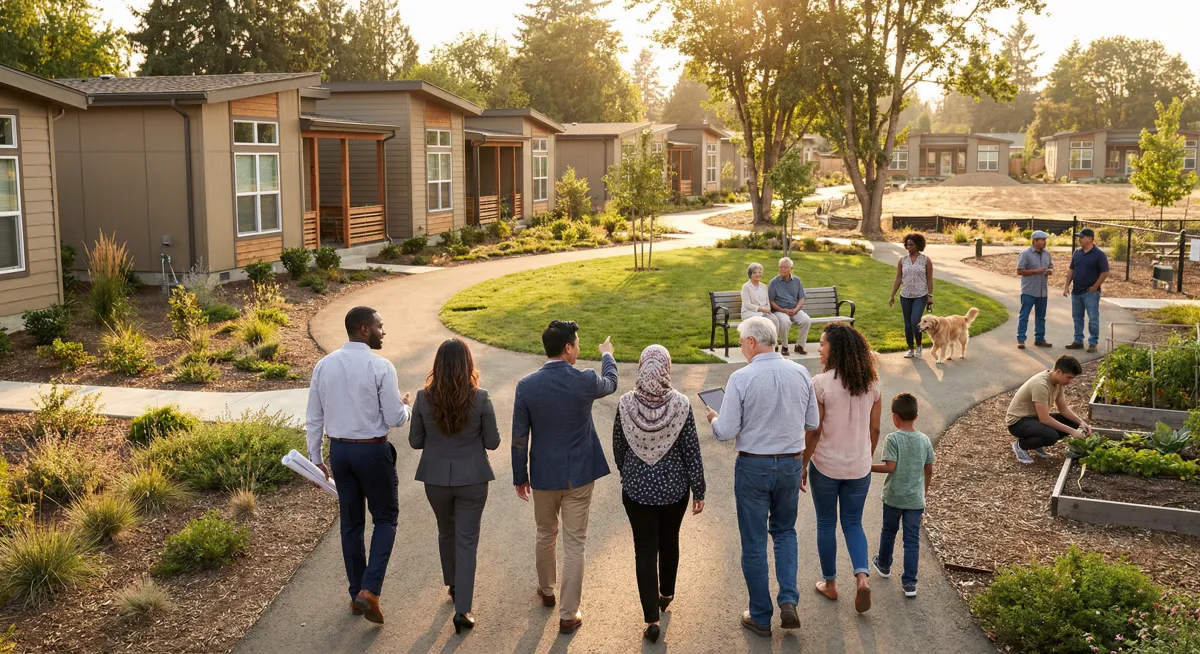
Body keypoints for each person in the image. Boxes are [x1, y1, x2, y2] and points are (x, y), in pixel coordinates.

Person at [704, 316, 819, 637]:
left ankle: (760, 615)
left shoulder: (742, 378)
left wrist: (714, 417)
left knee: (754, 541)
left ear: (752, 342)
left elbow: (725, 431)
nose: (741, 348)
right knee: (784, 532)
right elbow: (812, 422)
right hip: (791, 463)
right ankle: (788, 599)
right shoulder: (800, 372)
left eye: (741, 342)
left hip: (754, 466)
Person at [306, 306, 411, 625]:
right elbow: (394, 418)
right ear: (363, 329)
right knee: (385, 518)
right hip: (372, 452)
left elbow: (314, 416)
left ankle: (356, 594)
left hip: (339, 453)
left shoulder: (323, 366)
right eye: (380, 326)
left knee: (351, 524)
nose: (384, 331)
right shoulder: (381, 367)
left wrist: (316, 460)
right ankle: (369, 590)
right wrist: (406, 408)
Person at [512, 320, 618, 634]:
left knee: (545, 533)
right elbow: (611, 382)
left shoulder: (527, 385)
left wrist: (520, 476)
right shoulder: (584, 380)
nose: (579, 347)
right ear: (568, 348)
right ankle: (568, 614)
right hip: (580, 474)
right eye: (578, 343)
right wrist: (607, 354)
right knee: (575, 543)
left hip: (543, 474)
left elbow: (520, 437)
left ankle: (546, 590)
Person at [613, 345, 706, 644]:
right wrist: (699, 489)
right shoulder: (681, 404)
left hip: (637, 491)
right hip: (673, 490)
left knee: (644, 549)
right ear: (666, 368)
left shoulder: (625, 403)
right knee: (669, 541)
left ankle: (651, 618)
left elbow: (619, 446)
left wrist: (627, 473)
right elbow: (691, 450)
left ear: (641, 367)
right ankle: (666, 592)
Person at [408, 338, 500, 635]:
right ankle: (463, 609)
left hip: (435, 479)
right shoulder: (481, 397)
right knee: (467, 540)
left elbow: (415, 441)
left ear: (438, 366)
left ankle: (454, 584)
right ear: (468, 364)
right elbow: (493, 442)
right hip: (472, 478)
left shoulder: (423, 398)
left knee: (446, 531)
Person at [804, 322, 881, 614]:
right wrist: (864, 455)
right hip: (859, 466)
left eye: (822, 344)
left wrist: (801, 464)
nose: (819, 348)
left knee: (826, 523)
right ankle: (862, 578)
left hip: (825, 465)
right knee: (853, 523)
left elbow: (814, 431)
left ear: (835, 350)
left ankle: (831, 584)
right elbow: (875, 428)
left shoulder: (821, 384)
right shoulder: (872, 384)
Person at [870, 393, 935, 598]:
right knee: (912, 540)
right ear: (916, 416)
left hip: (894, 497)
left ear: (894, 416)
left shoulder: (893, 438)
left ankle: (884, 564)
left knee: (889, 531)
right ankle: (909, 583)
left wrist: (867, 467)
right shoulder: (924, 440)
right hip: (915, 500)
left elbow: (890, 467)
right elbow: (929, 469)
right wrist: (923, 493)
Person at [1006, 355, 1091, 464]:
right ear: (1059, 372)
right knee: (1051, 436)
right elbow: (1044, 419)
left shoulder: (1058, 382)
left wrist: (1081, 422)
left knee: (1072, 422)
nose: (1071, 381)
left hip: (1033, 418)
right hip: (1018, 422)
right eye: (1069, 377)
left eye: (1072, 378)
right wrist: (1072, 431)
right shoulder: (1041, 385)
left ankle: (1037, 444)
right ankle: (1020, 446)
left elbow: (1063, 409)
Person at [1063, 228, 1109, 353]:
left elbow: (1105, 272)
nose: (1080, 239)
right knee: (1077, 317)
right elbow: (1071, 270)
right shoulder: (1077, 253)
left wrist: (1095, 287)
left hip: (1090, 293)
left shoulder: (1099, 254)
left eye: (1082, 237)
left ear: (1090, 238)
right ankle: (1078, 341)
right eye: (1079, 237)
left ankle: (1093, 342)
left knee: (1093, 317)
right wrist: (1067, 286)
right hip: (1076, 291)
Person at [889, 233, 933, 359]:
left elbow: (929, 280)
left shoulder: (926, 260)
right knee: (907, 324)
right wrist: (892, 295)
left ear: (918, 245)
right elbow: (898, 279)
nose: (909, 247)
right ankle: (910, 348)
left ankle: (919, 346)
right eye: (907, 245)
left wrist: (930, 296)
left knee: (915, 322)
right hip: (905, 296)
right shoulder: (902, 260)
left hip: (920, 295)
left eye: (911, 245)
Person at [1016, 230, 1054, 350]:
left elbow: (1050, 266)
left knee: (1041, 317)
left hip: (1043, 291)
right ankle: (1021, 340)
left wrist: (1050, 271)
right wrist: (1035, 271)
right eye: (1043, 240)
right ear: (1035, 241)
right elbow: (1019, 270)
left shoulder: (1047, 254)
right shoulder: (1025, 254)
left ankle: (1039, 339)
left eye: (1045, 240)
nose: (1045, 242)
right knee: (1024, 316)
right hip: (1029, 291)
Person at [768, 257, 813, 356]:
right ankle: (785, 347)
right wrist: (781, 309)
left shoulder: (797, 281)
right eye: (781, 267)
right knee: (785, 322)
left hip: (795, 309)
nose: (782, 269)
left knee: (806, 320)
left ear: (791, 269)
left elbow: (801, 298)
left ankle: (800, 346)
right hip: (780, 310)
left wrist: (796, 309)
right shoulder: (773, 282)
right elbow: (770, 300)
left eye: (785, 267)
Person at [741, 262, 780, 343]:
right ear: (750, 274)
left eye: (759, 272)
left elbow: (767, 302)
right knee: (763, 321)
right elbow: (747, 304)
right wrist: (761, 309)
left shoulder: (763, 286)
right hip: (749, 312)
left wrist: (768, 309)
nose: (758, 274)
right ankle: (761, 345)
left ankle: (773, 343)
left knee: (775, 320)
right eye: (754, 272)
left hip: (764, 312)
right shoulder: (746, 287)